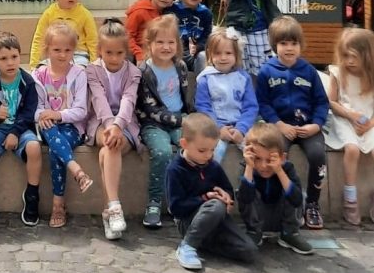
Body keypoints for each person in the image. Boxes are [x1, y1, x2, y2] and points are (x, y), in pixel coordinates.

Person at [255, 15, 329, 229]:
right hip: (280, 127)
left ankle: (312, 204)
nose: (289, 48)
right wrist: (278, 124)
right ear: (274, 45)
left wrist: (316, 124)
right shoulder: (266, 71)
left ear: (300, 45)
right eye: (283, 43)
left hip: (308, 127)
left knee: (318, 155)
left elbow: (322, 102)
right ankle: (280, 202)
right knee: (276, 156)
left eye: (294, 43)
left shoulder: (309, 71)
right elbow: (263, 103)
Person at [165, 112, 258, 272]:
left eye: (212, 150)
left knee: (249, 251)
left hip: (217, 220)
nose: (208, 155)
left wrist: (227, 197)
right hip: (188, 221)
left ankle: (201, 242)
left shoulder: (213, 166)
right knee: (215, 205)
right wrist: (205, 198)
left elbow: (227, 189)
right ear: (184, 144)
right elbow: (176, 208)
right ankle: (188, 245)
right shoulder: (175, 170)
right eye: (202, 151)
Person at [0, 31, 41, 227]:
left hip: (21, 129)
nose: (10, 62)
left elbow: (29, 112)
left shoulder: (27, 82)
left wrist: (15, 132)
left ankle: (32, 194)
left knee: (34, 148)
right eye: (3, 59)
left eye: (14, 57)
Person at [86, 18, 141, 241]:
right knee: (109, 143)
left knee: (108, 151)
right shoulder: (92, 70)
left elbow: (129, 100)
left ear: (126, 52)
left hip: (126, 124)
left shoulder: (133, 72)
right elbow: (98, 99)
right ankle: (115, 207)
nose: (114, 58)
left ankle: (110, 211)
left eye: (119, 53)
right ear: (100, 50)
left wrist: (118, 125)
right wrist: (110, 126)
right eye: (109, 53)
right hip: (100, 123)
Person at [32, 21, 92, 228]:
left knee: (54, 149)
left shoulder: (79, 74)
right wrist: (44, 115)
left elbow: (81, 110)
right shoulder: (39, 75)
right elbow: (35, 108)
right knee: (50, 130)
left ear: (74, 50)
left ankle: (58, 204)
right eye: (56, 50)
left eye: (67, 50)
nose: (62, 54)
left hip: (72, 127)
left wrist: (57, 114)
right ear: (47, 49)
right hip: (47, 126)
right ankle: (76, 170)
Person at [136, 13, 194, 229]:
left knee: (189, 150)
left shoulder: (180, 67)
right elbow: (149, 108)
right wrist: (180, 120)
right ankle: (154, 202)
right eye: (160, 42)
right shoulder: (145, 71)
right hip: (153, 123)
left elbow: (184, 98)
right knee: (162, 152)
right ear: (149, 44)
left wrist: (187, 118)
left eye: (171, 42)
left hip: (179, 119)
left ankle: (180, 200)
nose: (166, 47)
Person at [322, 26, 374, 225]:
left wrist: (369, 124)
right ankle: (350, 198)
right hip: (345, 119)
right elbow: (332, 102)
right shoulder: (337, 72)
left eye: (354, 56)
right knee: (352, 149)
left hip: (369, 121)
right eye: (345, 56)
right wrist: (351, 115)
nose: (349, 61)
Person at [237, 122, 312, 254]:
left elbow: (296, 199)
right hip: (258, 220)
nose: (263, 166)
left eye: (269, 160)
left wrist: (279, 171)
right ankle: (254, 232)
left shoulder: (287, 168)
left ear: (282, 157)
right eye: (257, 159)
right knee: (244, 188)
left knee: (293, 189)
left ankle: (289, 234)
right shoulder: (249, 168)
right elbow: (245, 198)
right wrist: (249, 167)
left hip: (281, 218)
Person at [195, 26, 258, 161]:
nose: (223, 58)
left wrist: (241, 128)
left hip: (242, 125)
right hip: (215, 126)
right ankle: (210, 175)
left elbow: (251, 107)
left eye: (228, 53)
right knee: (214, 153)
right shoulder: (205, 79)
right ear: (210, 55)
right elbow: (203, 108)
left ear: (236, 54)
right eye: (217, 53)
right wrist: (219, 128)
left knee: (256, 151)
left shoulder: (243, 78)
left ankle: (250, 174)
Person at [28, 0, 98, 68]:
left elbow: (93, 41)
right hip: (54, 54)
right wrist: (34, 65)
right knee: (42, 70)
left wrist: (95, 65)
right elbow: (39, 39)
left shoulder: (85, 14)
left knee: (79, 71)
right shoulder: (49, 13)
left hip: (78, 55)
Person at [125, 0, 181, 65]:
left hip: (160, 49)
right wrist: (138, 53)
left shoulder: (170, 11)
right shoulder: (140, 11)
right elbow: (127, 36)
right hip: (138, 52)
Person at [169, 0, 213, 73]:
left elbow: (207, 37)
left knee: (204, 57)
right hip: (173, 53)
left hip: (195, 54)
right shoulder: (171, 9)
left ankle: (203, 82)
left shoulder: (206, 13)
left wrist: (198, 47)